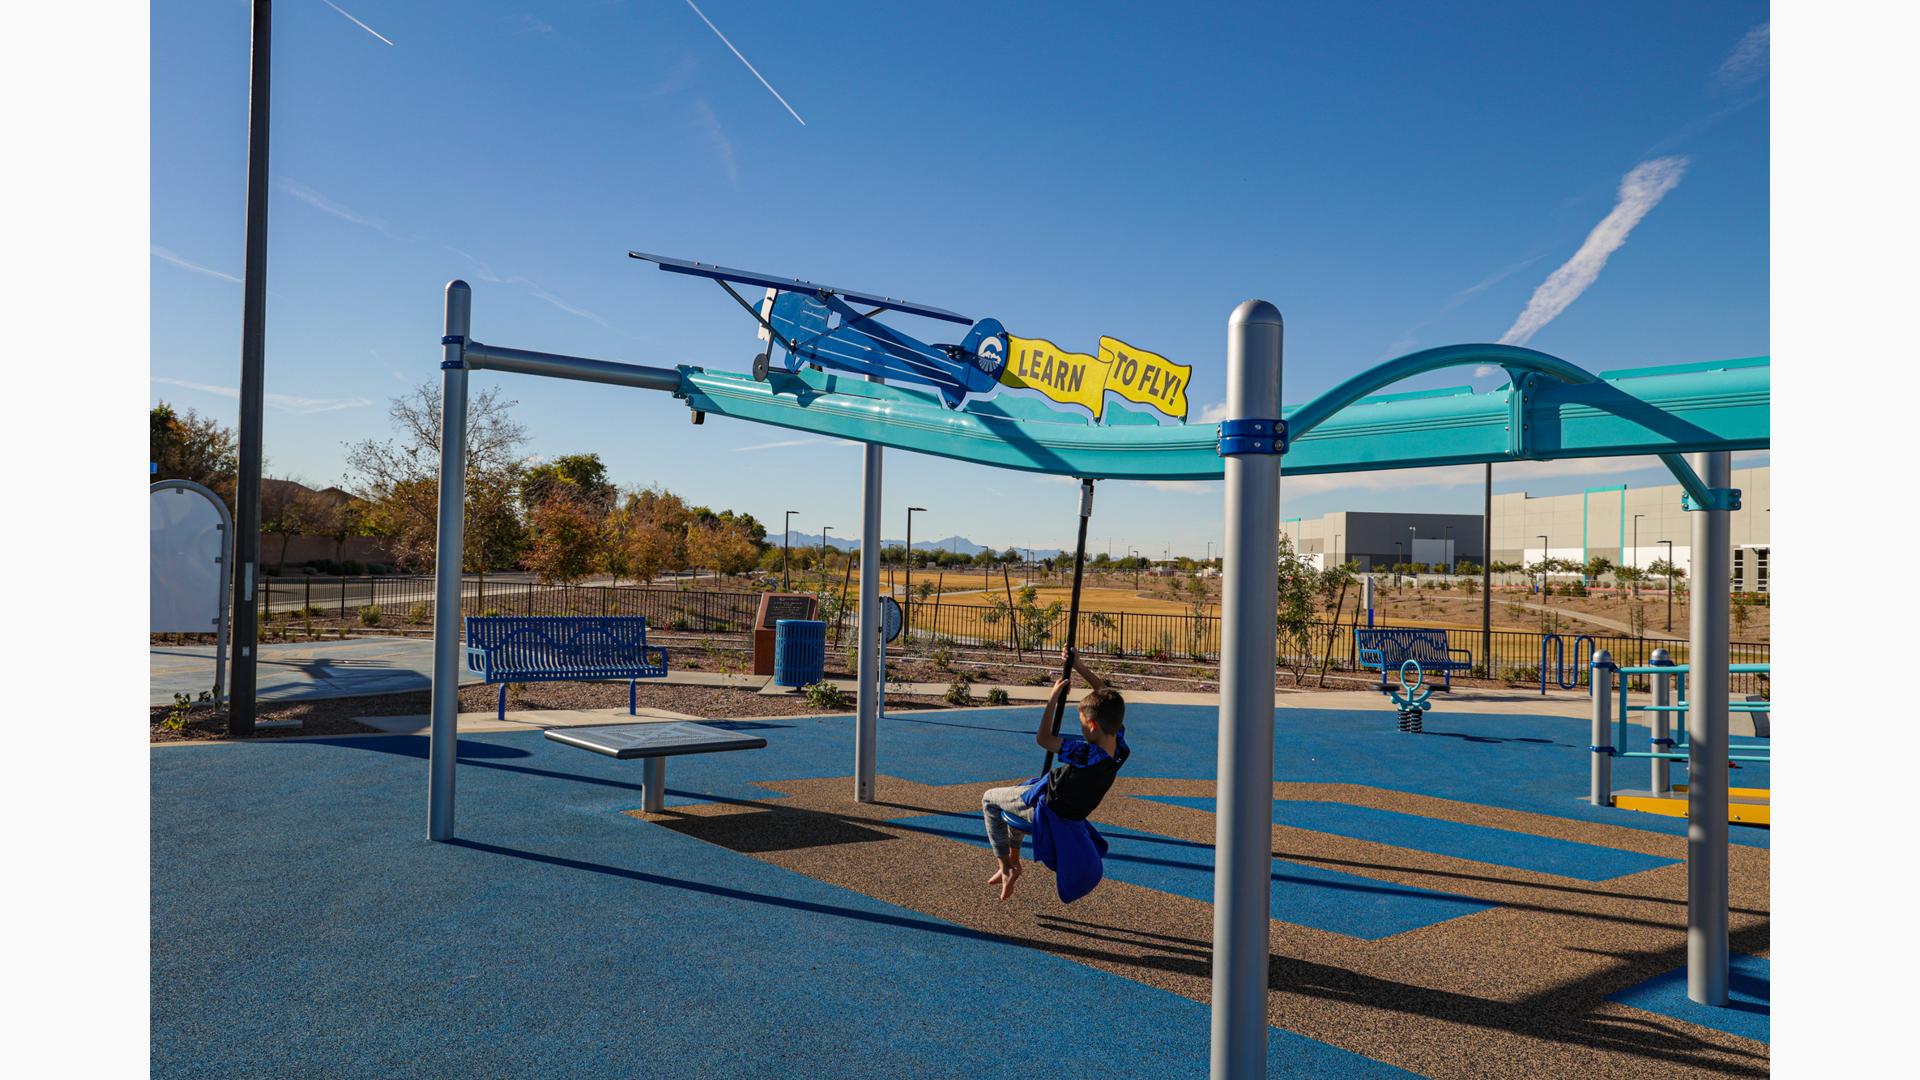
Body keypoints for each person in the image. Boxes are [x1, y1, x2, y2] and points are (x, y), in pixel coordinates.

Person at [981, 649, 1129, 901]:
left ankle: (1006, 867)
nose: (1082, 730)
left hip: (1046, 811)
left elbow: (1044, 739)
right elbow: (1106, 696)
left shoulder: (1085, 753)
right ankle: (1014, 860)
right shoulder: (1119, 748)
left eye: (1082, 724)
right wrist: (1078, 666)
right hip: (1067, 808)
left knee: (989, 800)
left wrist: (1052, 698)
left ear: (1093, 725)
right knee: (1019, 792)